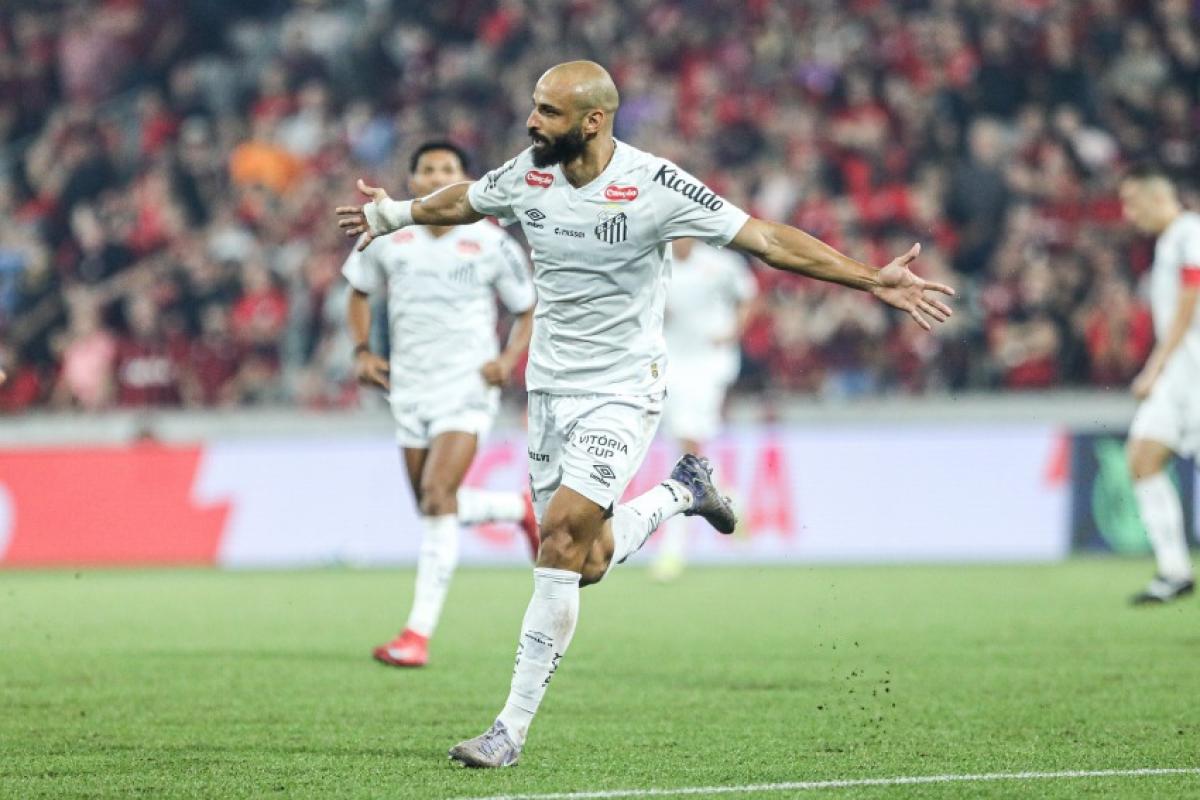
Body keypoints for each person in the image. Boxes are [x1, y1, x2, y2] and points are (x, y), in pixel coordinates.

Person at [336, 62, 954, 767]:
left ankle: (508, 730)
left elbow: (768, 240)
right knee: (588, 561)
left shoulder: (656, 186)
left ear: (593, 121)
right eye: (533, 107)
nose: (532, 122)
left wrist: (872, 278)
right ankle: (683, 490)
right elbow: (464, 203)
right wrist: (391, 215)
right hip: (549, 391)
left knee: (562, 541)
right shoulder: (529, 174)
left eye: (547, 111)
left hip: (624, 389)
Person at [342, 141, 539, 668]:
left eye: (448, 169)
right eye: (426, 169)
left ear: (464, 178)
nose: (436, 177)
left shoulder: (490, 241)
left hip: (467, 386)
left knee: (435, 494)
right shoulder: (390, 235)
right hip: (408, 388)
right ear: (411, 179)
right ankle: (515, 508)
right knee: (432, 505)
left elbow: (526, 308)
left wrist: (507, 359)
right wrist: (363, 352)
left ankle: (417, 634)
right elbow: (358, 292)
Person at [652, 237, 758, 581]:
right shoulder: (657, 261)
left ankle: (673, 549)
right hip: (671, 361)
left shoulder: (721, 264)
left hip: (710, 363)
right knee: (687, 448)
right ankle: (731, 502)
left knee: (687, 448)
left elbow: (750, 296)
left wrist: (733, 332)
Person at [1118, 163, 1200, 604]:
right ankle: (1174, 571)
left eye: (1132, 203)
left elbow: (1192, 298)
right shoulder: (1170, 241)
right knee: (1142, 456)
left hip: (1193, 374)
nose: (1129, 214)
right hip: (1178, 379)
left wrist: (1155, 364)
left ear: (1155, 197)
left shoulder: (1191, 232)